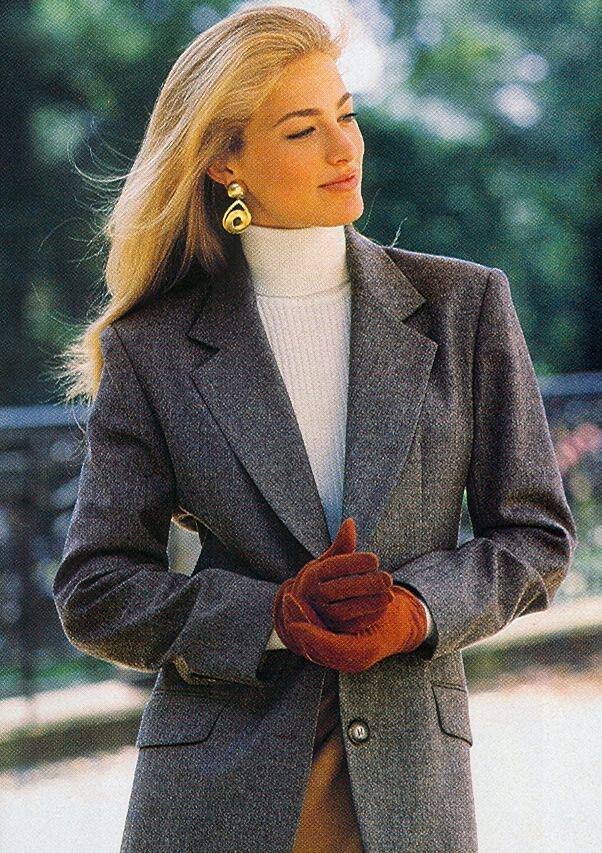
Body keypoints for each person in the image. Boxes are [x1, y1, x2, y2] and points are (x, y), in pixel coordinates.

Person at [53, 6, 577, 852]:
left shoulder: (465, 306)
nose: (345, 149)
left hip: (410, 789)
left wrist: (413, 611)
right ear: (225, 162)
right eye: (303, 130)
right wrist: (271, 614)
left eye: (347, 115)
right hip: (216, 791)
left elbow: (536, 537)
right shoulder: (152, 347)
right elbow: (96, 589)